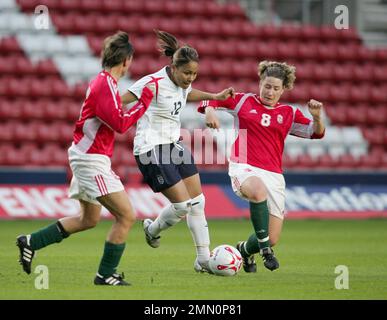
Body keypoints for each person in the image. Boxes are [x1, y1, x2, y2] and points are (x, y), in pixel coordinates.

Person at [16, 31, 155, 286]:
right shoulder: (104, 85)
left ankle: (31, 242)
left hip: (88, 157)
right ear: (126, 60)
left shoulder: (106, 84)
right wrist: (144, 102)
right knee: (126, 216)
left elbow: (113, 116)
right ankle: (105, 274)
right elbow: (121, 124)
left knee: (88, 219)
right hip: (91, 160)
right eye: (131, 60)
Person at [120, 30, 235, 273]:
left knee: (198, 202)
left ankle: (203, 260)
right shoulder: (152, 83)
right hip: (151, 149)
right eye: (187, 73)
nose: (190, 78)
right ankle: (152, 230)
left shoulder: (183, 84)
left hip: (174, 145)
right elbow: (120, 100)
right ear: (173, 67)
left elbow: (187, 93)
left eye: (194, 74)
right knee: (183, 206)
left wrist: (213, 96)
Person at [198, 60, 325, 272]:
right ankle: (266, 251)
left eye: (276, 88)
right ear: (260, 83)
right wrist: (210, 111)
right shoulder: (243, 101)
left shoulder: (289, 113)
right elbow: (210, 100)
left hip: (274, 174)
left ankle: (245, 251)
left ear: (284, 89)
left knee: (273, 236)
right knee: (257, 191)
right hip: (243, 164)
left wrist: (317, 117)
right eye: (267, 86)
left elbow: (316, 133)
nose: (270, 92)